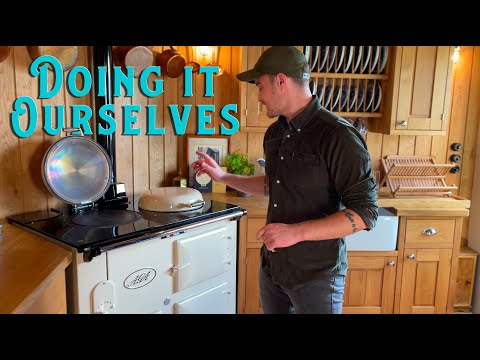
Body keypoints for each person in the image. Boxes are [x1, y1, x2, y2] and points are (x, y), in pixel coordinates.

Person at [192, 46, 378, 314]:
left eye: (260, 86)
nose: (259, 97)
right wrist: (222, 176)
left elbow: (365, 213)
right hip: (273, 269)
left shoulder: (339, 136)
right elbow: (274, 183)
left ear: (281, 81)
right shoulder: (276, 133)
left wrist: (295, 232)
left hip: (317, 276)